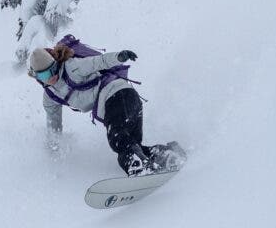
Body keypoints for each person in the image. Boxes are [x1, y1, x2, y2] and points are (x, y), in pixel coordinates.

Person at [28, 43, 185, 176]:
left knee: (117, 140)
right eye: (43, 76)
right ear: (36, 78)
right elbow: (53, 124)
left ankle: (143, 171)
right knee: (130, 147)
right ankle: (168, 155)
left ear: (56, 64)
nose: (50, 77)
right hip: (125, 103)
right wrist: (53, 147)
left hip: (118, 96)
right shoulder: (50, 97)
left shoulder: (72, 67)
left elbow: (99, 62)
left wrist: (119, 57)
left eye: (52, 69)